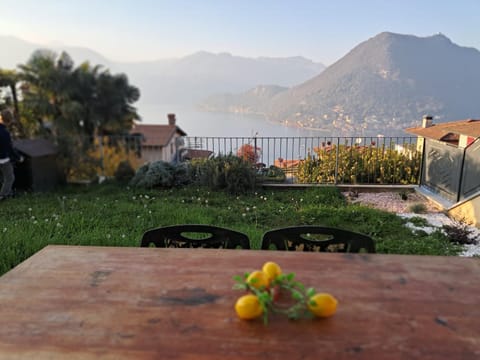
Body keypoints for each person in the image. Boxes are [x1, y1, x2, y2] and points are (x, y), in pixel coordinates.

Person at [0, 113, 22, 200]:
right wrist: (18, 157)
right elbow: (9, 149)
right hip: (3, 159)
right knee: (10, 178)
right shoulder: (5, 133)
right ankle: (2, 196)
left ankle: (8, 193)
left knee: (3, 178)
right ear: (8, 121)